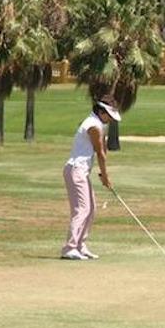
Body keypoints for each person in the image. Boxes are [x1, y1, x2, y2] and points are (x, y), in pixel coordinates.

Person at [60, 95, 121, 260]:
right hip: (75, 170)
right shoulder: (94, 126)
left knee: (91, 208)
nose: (110, 119)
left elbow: (102, 151)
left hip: (80, 171)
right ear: (101, 112)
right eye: (108, 115)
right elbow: (100, 153)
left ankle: (80, 245)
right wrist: (105, 175)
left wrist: (102, 174)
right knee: (82, 209)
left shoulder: (97, 123)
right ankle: (70, 248)